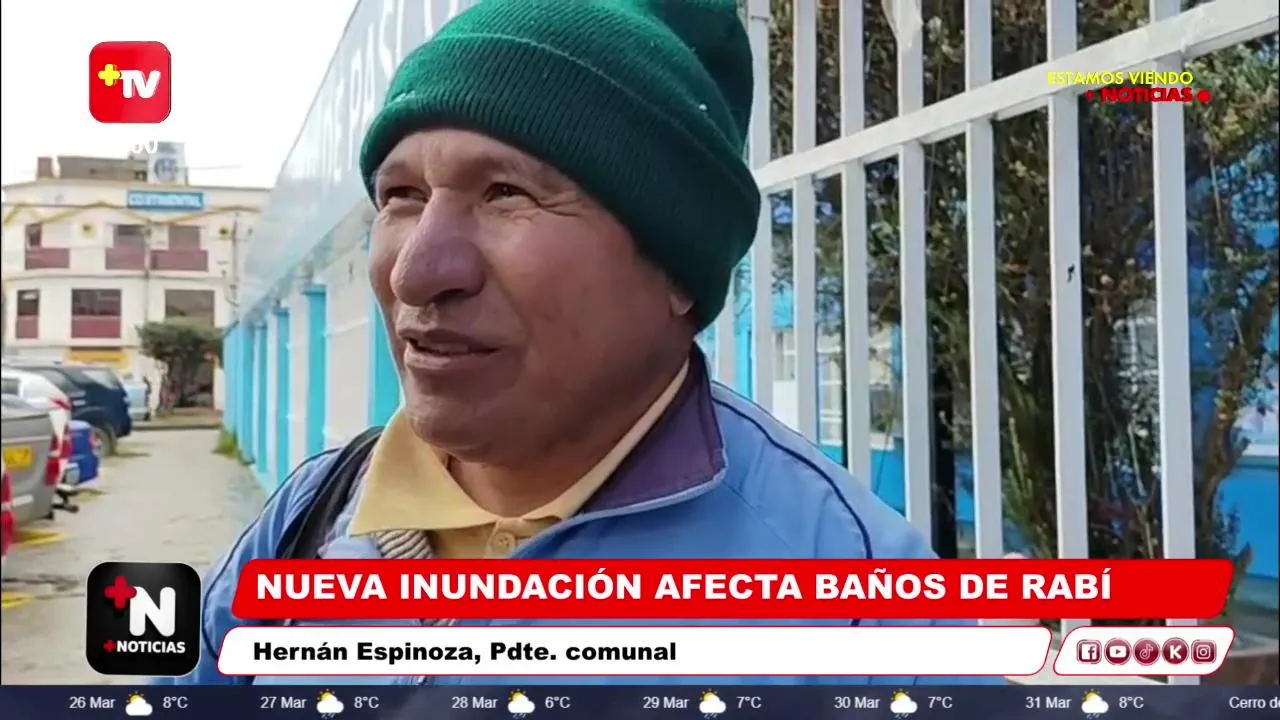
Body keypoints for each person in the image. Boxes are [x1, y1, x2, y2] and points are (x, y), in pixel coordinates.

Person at [163, 0, 999, 687]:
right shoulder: (313, 514)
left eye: (506, 193)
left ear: (675, 269)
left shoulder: (855, 603)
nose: (417, 272)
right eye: (402, 196)